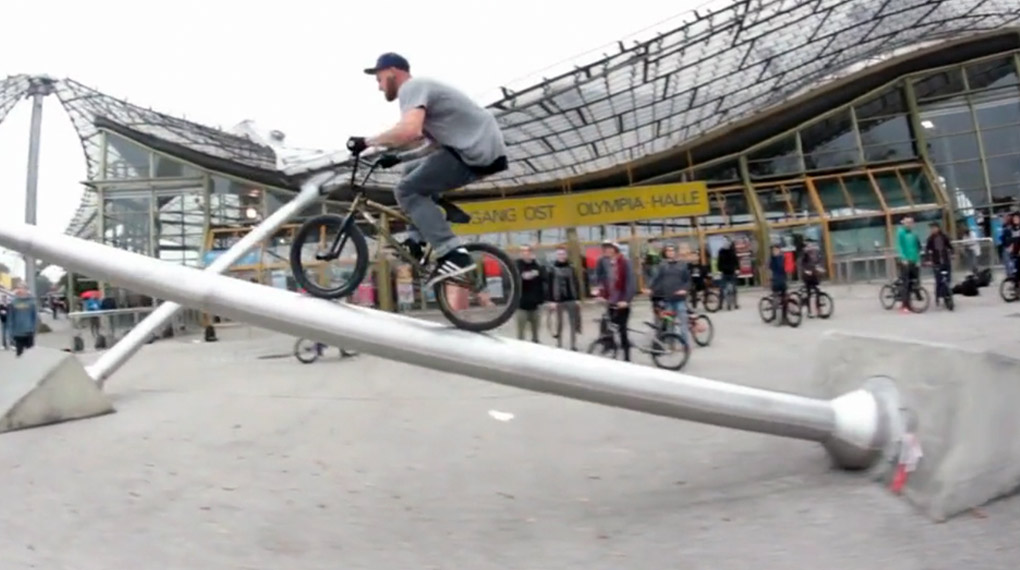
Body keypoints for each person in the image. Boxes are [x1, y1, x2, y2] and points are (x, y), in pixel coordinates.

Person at [350, 52, 509, 288]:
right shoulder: (424, 93)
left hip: (473, 151)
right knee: (411, 170)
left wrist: (367, 141)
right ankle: (417, 240)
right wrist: (398, 158)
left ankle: (453, 253)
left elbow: (408, 131)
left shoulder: (412, 87)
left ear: (392, 71)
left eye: (379, 79)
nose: (379, 87)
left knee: (406, 191)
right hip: (477, 150)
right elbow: (430, 145)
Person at [594, 241, 637, 361]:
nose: (606, 250)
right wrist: (600, 293)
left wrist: (626, 300)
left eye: (609, 248)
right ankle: (609, 347)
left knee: (622, 330)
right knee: (606, 325)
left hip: (622, 302)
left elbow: (631, 283)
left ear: (615, 250)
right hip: (611, 301)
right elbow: (601, 279)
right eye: (605, 248)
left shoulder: (625, 262)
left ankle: (627, 358)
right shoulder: (604, 261)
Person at [646, 244, 692, 346]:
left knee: (683, 324)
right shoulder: (662, 266)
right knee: (670, 324)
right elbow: (656, 279)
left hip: (680, 300)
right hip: (668, 300)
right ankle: (672, 346)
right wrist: (650, 289)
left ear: (675, 252)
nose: (670, 252)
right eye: (668, 251)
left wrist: (684, 290)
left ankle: (685, 345)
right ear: (665, 253)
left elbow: (688, 280)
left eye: (672, 250)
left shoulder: (682, 265)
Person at [545, 246, 582, 351]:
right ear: (557, 255)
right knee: (559, 323)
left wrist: (578, 299)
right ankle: (559, 344)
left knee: (573, 323)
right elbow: (549, 285)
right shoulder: (552, 269)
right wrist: (551, 300)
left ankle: (573, 345)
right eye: (559, 254)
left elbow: (576, 283)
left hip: (571, 299)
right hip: (558, 300)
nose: (561, 256)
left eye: (563, 254)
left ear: (566, 255)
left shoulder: (571, 267)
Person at [514, 245, 546, 343]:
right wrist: (533, 274)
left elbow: (544, 277)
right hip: (521, 305)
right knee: (520, 336)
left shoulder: (537, 265)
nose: (525, 253)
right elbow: (522, 277)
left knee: (536, 335)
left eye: (527, 251)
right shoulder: (516, 265)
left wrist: (537, 266)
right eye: (522, 251)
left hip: (535, 305)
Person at [896, 216, 922, 314]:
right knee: (906, 283)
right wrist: (903, 258)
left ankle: (910, 302)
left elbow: (917, 248)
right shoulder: (900, 232)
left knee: (914, 282)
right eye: (907, 222)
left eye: (911, 222)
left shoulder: (914, 234)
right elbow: (900, 246)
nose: (909, 224)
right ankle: (904, 305)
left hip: (914, 260)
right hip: (905, 261)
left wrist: (918, 260)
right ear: (903, 223)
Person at [925, 222, 954, 303]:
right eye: (931, 228)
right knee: (938, 280)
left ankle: (947, 294)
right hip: (936, 262)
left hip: (945, 260)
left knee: (948, 279)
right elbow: (927, 250)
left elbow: (950, 246)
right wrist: (928, 260)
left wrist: (952, 254)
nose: (933, 230)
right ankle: (938, 296)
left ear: (938, 228)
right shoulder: (930, 239)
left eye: (934, 228)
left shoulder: (944, 237)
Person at [7, 283, 38, 357]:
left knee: (30, 356)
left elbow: (35, 317)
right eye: (19, 288)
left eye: (23, 288)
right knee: (19, 355)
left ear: (27, 290)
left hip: (29, 331)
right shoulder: (13, 302)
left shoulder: (31, 302)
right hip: (18, 332)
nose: (21, 290)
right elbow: (11, 317)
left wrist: (34, 329)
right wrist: (11, 332)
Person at [799, 241, 823, 318]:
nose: (811, 249)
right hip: (807, 277)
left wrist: (820, 268)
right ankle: (809, 311)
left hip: (814, 275)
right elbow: (802, 265)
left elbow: (818, 263)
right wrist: (806, 270)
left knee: (817, 291)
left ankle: (818, 309)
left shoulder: (816, 255)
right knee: (809, 293)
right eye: (809, 247)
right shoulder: (804, 256)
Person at [717, 237, 739, 310]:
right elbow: (719, 261)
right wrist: (719, 269)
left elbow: (736, 261)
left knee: (734, 289)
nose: (726, 243)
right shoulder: (721, 251)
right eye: (724, 242)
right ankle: (720, 304)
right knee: (721, 289)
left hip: (732, 272)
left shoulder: (733, 251)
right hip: (724, 272)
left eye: (727, 242)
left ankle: (735, 304)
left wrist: (737, 269)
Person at [768, 244, 788, 325]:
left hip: (782, 280)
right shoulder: (772, 259)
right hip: (776, 281)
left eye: (776, 250)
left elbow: (785, 268)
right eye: (774, 250)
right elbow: (770, 268)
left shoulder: (782, 258)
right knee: (776, 299)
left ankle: (784, 317)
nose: (775, 252)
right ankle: (775, 316)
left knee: (785, 300)